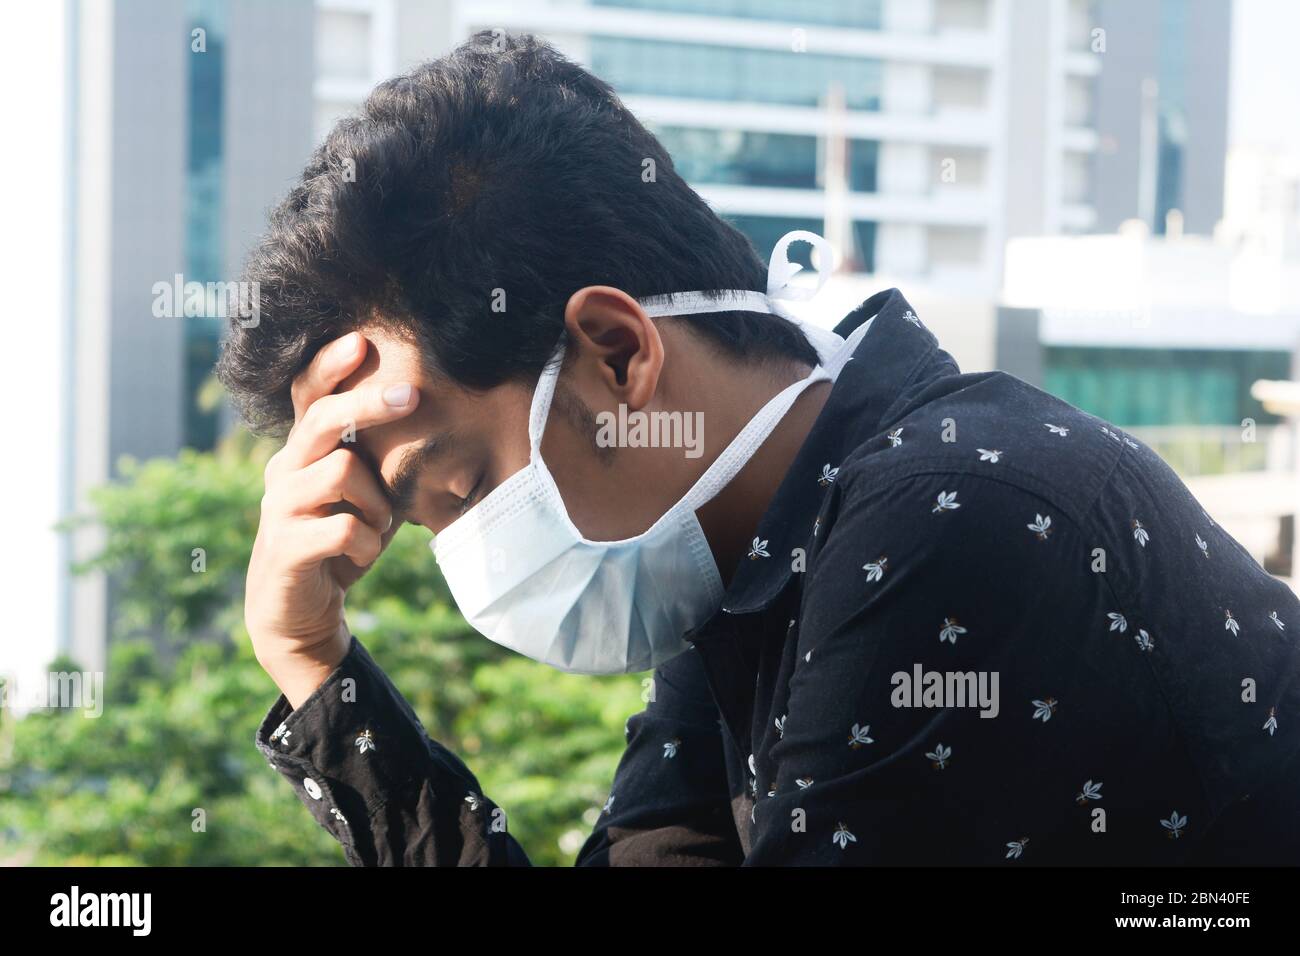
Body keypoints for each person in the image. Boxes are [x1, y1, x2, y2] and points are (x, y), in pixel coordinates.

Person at [217, 31, 1300, 866]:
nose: (466, 558)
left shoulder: (948, 517)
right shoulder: (748, 568)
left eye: (462, 487)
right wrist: (315, 667)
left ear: (614, 351)